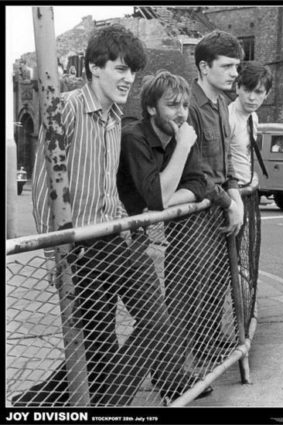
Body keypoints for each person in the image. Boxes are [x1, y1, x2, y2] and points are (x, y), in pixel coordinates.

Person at [12, 24, 166, 408]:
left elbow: (106, 188)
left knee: (157, 323)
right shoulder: (64, 108)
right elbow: (44, 186)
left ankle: (96, 407)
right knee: (96, 353)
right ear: (95, 67)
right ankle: (35, 404)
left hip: (114, 241)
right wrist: (53, 254)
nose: (129, 78)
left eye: (133, 71)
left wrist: (129, 232)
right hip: (78, 251)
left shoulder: (115, 118)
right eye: (120, 68)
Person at [117, 70, 239, 402]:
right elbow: (155, 197)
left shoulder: (180, 136)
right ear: (151, 108)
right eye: (172, 105)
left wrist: (167, 195)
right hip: (109, 239)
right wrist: (182, 151)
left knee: (154, 320)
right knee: (109, 331)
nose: (182, 113)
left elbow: (199, 184)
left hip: (135, 239)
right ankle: (107, 399)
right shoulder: (135, 137)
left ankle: (165, 379)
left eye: (184, 105)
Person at [187, 30, 245, 360]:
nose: (235, 73)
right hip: (196, 216)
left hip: (221, 210)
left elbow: (226, 167)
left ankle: (206, 347)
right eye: (227, 66)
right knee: (191, 287)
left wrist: (235, 199)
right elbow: (197, 173)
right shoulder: (190, 106)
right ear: (205, 67)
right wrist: (229, 202)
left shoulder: (221, 104)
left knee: (215, 283)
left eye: (237, 66)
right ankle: (181, 366)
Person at [228, 60, 273, 187]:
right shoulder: (228, 118)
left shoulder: (253, 116)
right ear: (237, 88)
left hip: (247, 188)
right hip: (231, 192)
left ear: (267, 94)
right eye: (247, 90)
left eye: (258, 92)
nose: (252, 98)